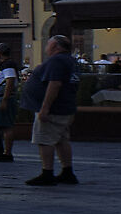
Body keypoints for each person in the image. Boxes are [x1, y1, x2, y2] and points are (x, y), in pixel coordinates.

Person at [23, 34, 82, 187]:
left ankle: (47, 173)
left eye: (48, 44)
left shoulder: (56, 60)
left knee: (45, 140)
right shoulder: (70, 61)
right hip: (65, 107)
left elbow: (54, 84)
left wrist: (45, 108)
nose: (46, 47)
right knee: (61, 140)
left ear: (56, 46)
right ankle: (67, 172)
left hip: (53, 110)